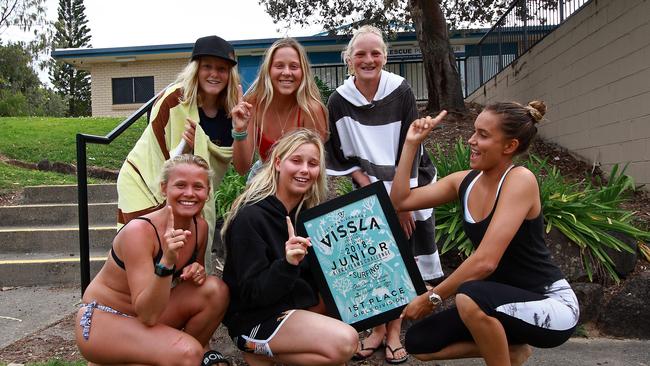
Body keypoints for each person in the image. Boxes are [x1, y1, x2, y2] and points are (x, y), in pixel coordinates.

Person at [392, 102, 580, 366]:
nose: (471, 140)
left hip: (551, 305)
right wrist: (411, 144)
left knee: (469, 297)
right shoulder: (465, 181)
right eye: (474, 132)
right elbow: (400, 201)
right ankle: (513, 353)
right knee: (419, 343)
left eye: (483, 134)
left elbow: (485, 262)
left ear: (509, 146)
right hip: (500, 303)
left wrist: (432, 298)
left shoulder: (519, 180)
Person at [324, 25, 444, 364]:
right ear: (348, 60)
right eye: (360, 53)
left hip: (409, 180)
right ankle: (377, 329)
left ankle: (393, 332)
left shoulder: (401, 91)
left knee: (400, 257)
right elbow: (338, 154)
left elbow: (412, 147)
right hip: (369, 185)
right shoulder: (338, 100)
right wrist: (371, 189)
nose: (368, 59)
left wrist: (401, 203)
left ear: (385, 57)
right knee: (373, 259)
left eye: (375, 53)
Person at [75, 154, 230, 366]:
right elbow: (147, 314)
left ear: (208, 192)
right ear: (164, 188)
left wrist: (197, 272)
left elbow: (193, 282)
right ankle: (117, 357)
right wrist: (166, 261)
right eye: (181, 185)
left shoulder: (199, 227)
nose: (189, 193)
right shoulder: (139, 232)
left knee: (215, 290)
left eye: (198, 187)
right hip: (105, 320)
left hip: (150, 315)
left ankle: (162, 353)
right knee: (187, 353)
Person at [221, 128, 358, 366]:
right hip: (254, 318)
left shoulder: (308, 216)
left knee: (342, 313)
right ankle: (255, 348)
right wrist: (287, 264)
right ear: (277, 162)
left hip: (293, 306)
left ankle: (264, 355)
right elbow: (252, 294)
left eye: (313, 163)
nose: (305, 170)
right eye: (296, 161)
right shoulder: (250, 217)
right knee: (345, 342)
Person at [117, 35, 243, 270]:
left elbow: (237, 164)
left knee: (183, 261)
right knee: (145, 256)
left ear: (230, 74)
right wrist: (184, 149)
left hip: (188, 191)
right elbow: (157, 152)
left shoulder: (232, 113)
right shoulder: (175, 99)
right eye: (207, 66)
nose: (214, 74)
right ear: (196, 68)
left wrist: (241, 130)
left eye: (222, 68)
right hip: (144, 182)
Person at [230, 38, 328, 178]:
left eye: (294, 66)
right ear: (268, 70)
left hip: (301, 182)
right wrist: (239, 130)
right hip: (263, 180)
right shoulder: (253, 105)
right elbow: (242, 168)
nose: (287, 72)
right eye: (279, 66)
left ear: (303, 72)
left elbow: (314, 168)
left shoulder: (311, 110)